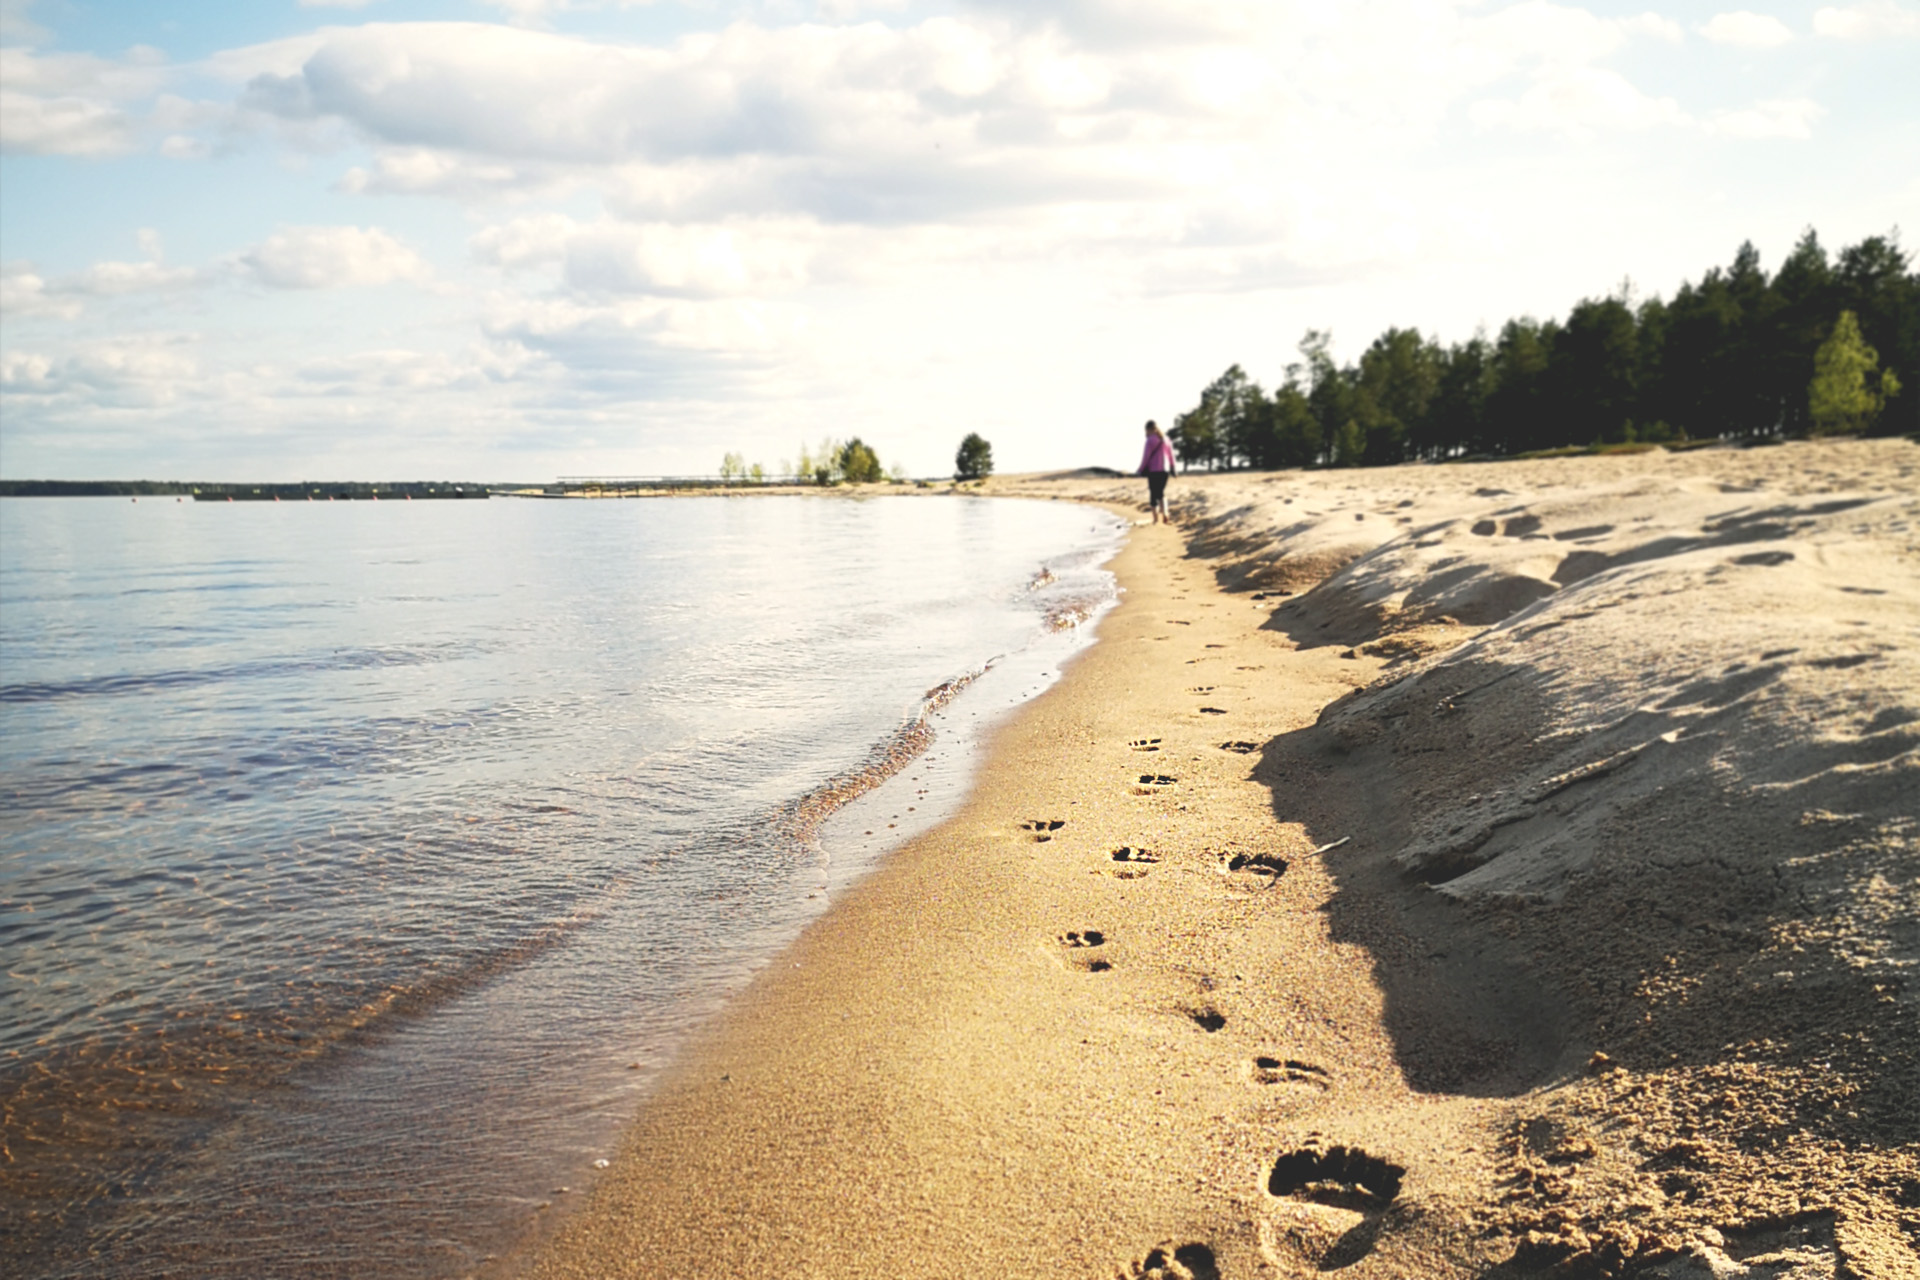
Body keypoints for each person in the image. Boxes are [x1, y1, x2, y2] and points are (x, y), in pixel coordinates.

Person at [1137, 420, 1175, 525]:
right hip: (1165, 470)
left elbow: (1146, 457)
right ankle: (1165, 513)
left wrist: (1140, 469)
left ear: (1148, 430)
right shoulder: (1166, 439)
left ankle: (1155, 519)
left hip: (1153, 470)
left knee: (1153, 494)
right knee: (1161, 492)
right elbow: (1171, 455)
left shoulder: (1150, 440)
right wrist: (1173, 468)